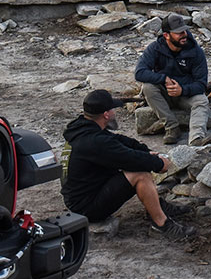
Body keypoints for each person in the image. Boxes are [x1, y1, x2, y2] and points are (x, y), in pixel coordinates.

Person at [61, 89, 196, 239]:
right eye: (112, 109)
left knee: (139, 163)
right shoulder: (94, 141)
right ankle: (161, 224)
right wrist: (158, 163)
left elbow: (119, 142)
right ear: (106, 114)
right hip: (86, 207)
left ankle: (158, 206)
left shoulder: (85, 129)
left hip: (86, 193)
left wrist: (145, 151)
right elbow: (129, 158)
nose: (115, 112)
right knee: (140, 173)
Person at [134, 15, 211, 145]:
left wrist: (182, 90)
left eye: (185, 31)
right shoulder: (155, 48)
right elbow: (139, 73)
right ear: (166, 35)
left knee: (202, 99)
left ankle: (196, 139)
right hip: (164, 94)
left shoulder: (196, 51)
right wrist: (163, 78)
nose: (184, 35)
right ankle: (172, 128)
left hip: (186, 95)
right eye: (179, 33)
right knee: (147, 87)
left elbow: (201, 84)